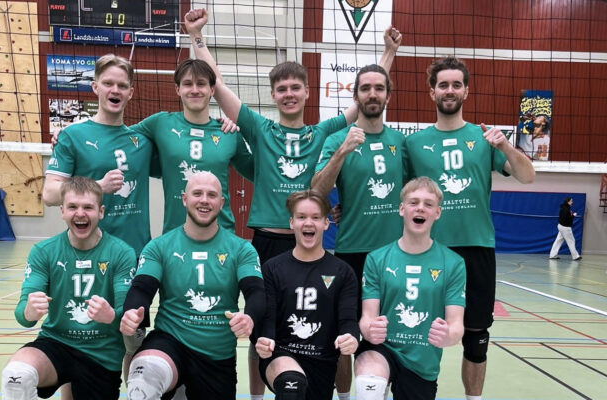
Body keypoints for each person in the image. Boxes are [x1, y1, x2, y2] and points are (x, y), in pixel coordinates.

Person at [183, 9, 401, 399]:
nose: (288, 94)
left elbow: (368, 95)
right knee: (261, 330)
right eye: (281, 88)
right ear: (273, 95)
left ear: (306, 93)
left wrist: (388, 53)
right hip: (267, 244)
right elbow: (217, 86)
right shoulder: (260, 128)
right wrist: (197, 36)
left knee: (325, 329)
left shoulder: (323, 131)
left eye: (295, 87)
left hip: (310, 244)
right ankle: (257, 395)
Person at [403, 56, 535, 400]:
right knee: (417, 334)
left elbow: (527, 176)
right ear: (432, 92)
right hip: (429, 251)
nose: (449, 90)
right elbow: (396, 195)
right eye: (443, 85)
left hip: (476, 249)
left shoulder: (483, 138)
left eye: (456, 84)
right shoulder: (414, 143)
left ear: (466, 91)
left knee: (476, 339)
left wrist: (504, 144)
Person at [119, 171, 265, 400]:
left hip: (217, 354)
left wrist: (250, 318)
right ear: (185, 199)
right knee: (143, 379)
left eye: (211, 195)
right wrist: (131, 312)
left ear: (221, 203)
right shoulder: (160, 246)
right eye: (197, 193)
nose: (204, 200)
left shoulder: (241, 249)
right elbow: (142, 288)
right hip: (170, 341)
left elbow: (255, 291)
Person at [1, 176, 136, 400]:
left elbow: (127, 316)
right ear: (62, 211)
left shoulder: (121, 253)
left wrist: (112, 315)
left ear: (101, 212)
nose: (80, 213)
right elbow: (22, 316)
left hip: (101, 354)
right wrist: (29, 311)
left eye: (88, 207)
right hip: (56, 343)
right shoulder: (44, 252)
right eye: (73, 207)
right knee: (16, 377)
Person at [354, 177, 466, 400]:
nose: (420, 208)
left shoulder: (453, 263)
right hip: (383, 348)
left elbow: (456, 325)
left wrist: (448, 336)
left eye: (428, 204)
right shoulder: (377, 259)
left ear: (437, 212)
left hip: (422, 360)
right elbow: (367, 317)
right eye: (414, 202)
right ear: (402, 209)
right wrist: (369, 330)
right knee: (369, 383)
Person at [311, 63, 408, 311]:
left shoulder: (401, 142)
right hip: (351, 250)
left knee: (390, 326)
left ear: (388, 95)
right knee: (348, 327)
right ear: (355, 96)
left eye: (379, 88)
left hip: (394, 252)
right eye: (365, 89)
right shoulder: (336, 140)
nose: (372, 94)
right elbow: (317, 192)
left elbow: (413, 192)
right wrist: (342, 151)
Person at [43, 54, 155, 257]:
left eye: (122, 86)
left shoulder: (143, 141)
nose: (115, 90)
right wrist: (98, 187)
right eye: (108, 83)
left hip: (136, 254)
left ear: (130, 93)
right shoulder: (72, 136)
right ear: (95, 87)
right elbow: (49, 195)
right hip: (90, 253)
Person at [130, 58, 254, 234]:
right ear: (177, 89)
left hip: (222, 234)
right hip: (176, 234)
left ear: (212, 90)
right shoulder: (160, 123)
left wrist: (260, 136)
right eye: (188, 84)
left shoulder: (229, 132)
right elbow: (121, 136)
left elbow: (255, 172)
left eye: (201, 84)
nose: (195, 90)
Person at [255, 190, 359, 400]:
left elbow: (347, 319)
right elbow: (268, 318)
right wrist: (264, 339)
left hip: (322, 361)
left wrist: (351, 336)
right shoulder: (273, 268)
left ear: (326, 223)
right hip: (282, 355)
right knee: (291, 386)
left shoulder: (342, 272)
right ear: (292, 222)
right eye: (301, 217)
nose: (308, 223)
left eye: (316, 217)